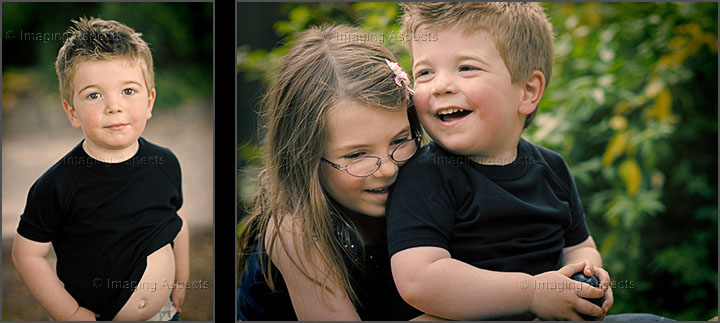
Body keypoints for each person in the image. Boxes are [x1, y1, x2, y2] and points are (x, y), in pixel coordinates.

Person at [386, 2, 629, 320]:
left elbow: (578, 245)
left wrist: (588, 272)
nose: (441, 86)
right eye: (425, 72)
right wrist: (531, 294)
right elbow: (420, 280)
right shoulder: (427, 175)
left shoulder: (551, 169)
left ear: (528, 91)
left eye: (467, 67)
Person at [237, 24, 424, 320]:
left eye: (400, 140)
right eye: (357, 155)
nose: (388, 169)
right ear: (305, 157)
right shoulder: (295, 228)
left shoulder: (427, 185)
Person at [11, 17, 189, 321]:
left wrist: (181, 279)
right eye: (94, 95)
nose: (113, 106)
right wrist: (70, 313)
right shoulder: (58, 185)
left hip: (165, 313)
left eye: (128, 91)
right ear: (72, 112)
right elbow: (26, 254)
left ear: (150, 101)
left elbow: (176, 218)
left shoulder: (165, 162)